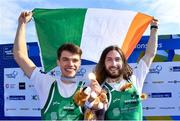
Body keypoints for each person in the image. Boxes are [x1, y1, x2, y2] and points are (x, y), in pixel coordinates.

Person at [13, 11, 84, 120]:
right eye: (65, 59)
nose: (70, 64)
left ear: (80, 63)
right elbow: (20, 56)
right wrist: (22, 24)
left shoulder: (86, 89)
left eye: (75, 60)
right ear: (58, 62)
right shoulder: (46, 83)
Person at [95, 19, 158, 120]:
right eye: (109, 60)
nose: (114, 64)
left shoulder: (134, 79)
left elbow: (150, 54)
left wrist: (154, 28)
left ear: (123, 62)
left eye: (117, 59)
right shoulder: (100, 89)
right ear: (104, 63)